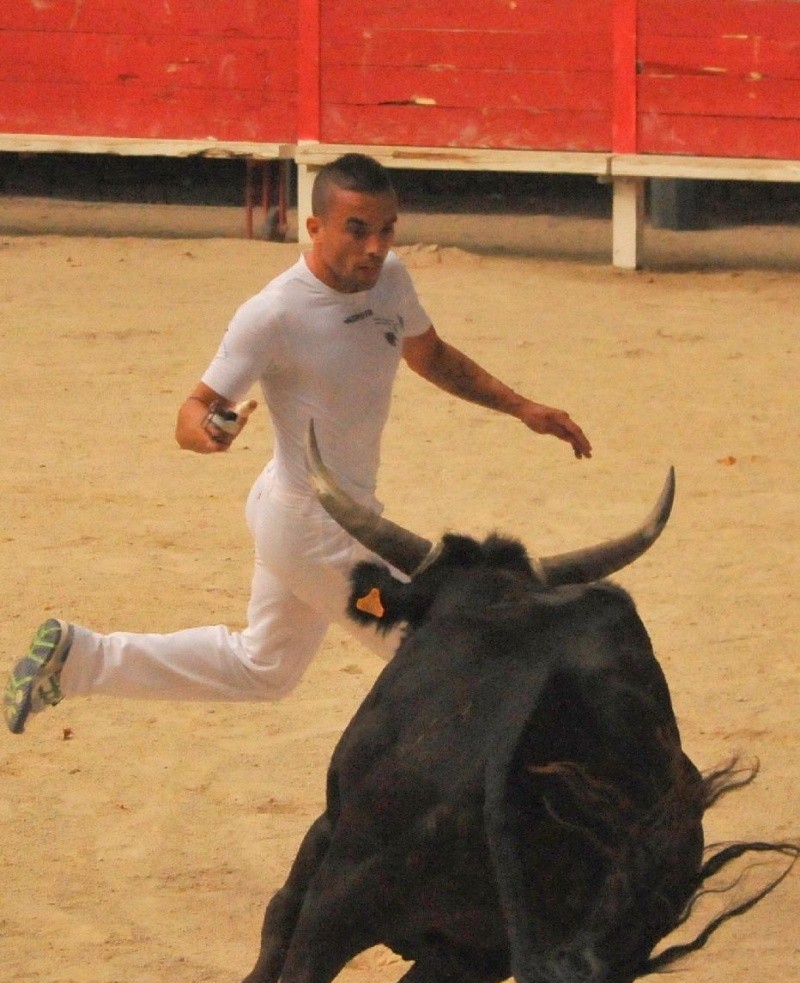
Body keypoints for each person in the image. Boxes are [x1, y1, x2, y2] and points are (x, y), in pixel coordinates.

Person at [4, 153, 592, 736]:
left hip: (320, 512)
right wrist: (207, 433)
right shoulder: (273, 313)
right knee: (440, 646)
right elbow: (192, 410)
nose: (375, 247)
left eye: (386, 230)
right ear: (315, 228)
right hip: (311, 524)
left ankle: (78, 658)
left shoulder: (390, 281)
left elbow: (430, 356)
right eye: (357, 230)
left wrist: (522, 407)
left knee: (264, 668)